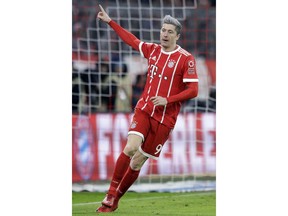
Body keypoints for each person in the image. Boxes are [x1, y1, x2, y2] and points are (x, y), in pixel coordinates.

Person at [96, 4, 199, 213]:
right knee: (130, 147)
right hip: (144, 109)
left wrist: (168, 100)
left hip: (165, 119)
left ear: (177, 36)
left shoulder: (185, 59)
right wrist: (110, 22)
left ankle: (116, 200)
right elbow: (131, 40)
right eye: (163, 30)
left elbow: (193, 90)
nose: (165, 34)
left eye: (170, 32)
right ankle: (110, 193)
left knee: (137, 163)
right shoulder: (152, 50)